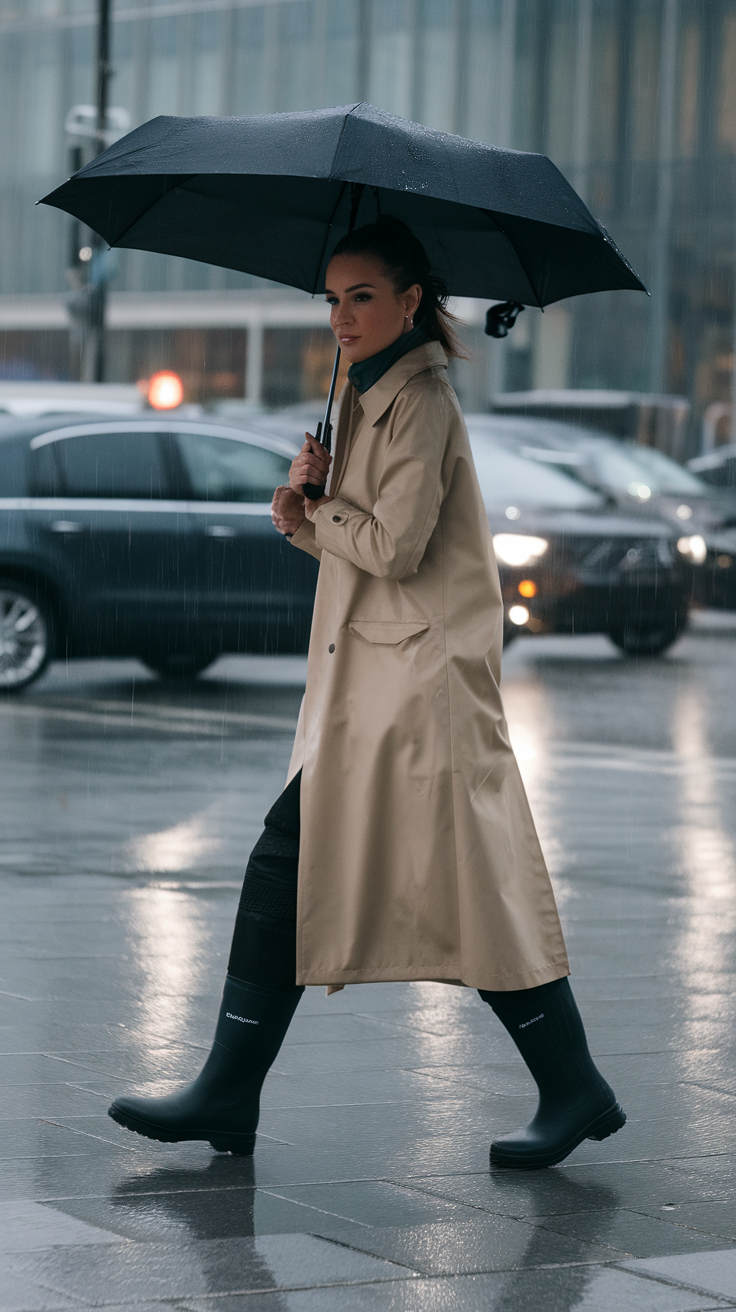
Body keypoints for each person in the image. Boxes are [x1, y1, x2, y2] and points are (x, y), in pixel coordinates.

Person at [109, 216, 625, 1169]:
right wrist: (300, 501)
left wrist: (326, 506)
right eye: (333, 299)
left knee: (442, 884)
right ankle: (566, 1085)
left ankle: (569, 1084)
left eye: (362, 297)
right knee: (338, 873)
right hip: (378, 683)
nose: (341, 316)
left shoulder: (420, 400)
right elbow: (356, 541)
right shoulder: (367, 391)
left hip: (418, 690)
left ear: (411, 301)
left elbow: (394, 546)